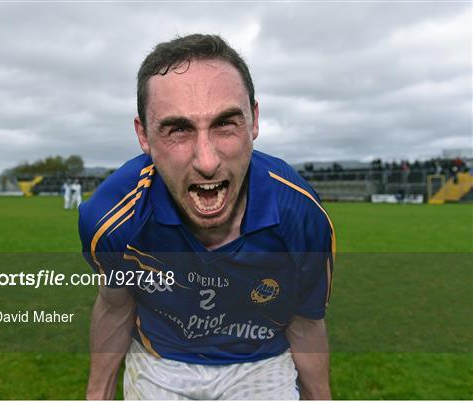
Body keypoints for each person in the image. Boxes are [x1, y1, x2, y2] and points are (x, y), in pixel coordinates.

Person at [79, 34, 335, 400]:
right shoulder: (112, 216)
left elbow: (306, 322)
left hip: (261, 363)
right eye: (178, 130)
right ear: (144, 136)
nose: (207, 161)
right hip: (159, 364)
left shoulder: (301, 215)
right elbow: (115, 304)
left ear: (254, 120)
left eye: (225, 124)